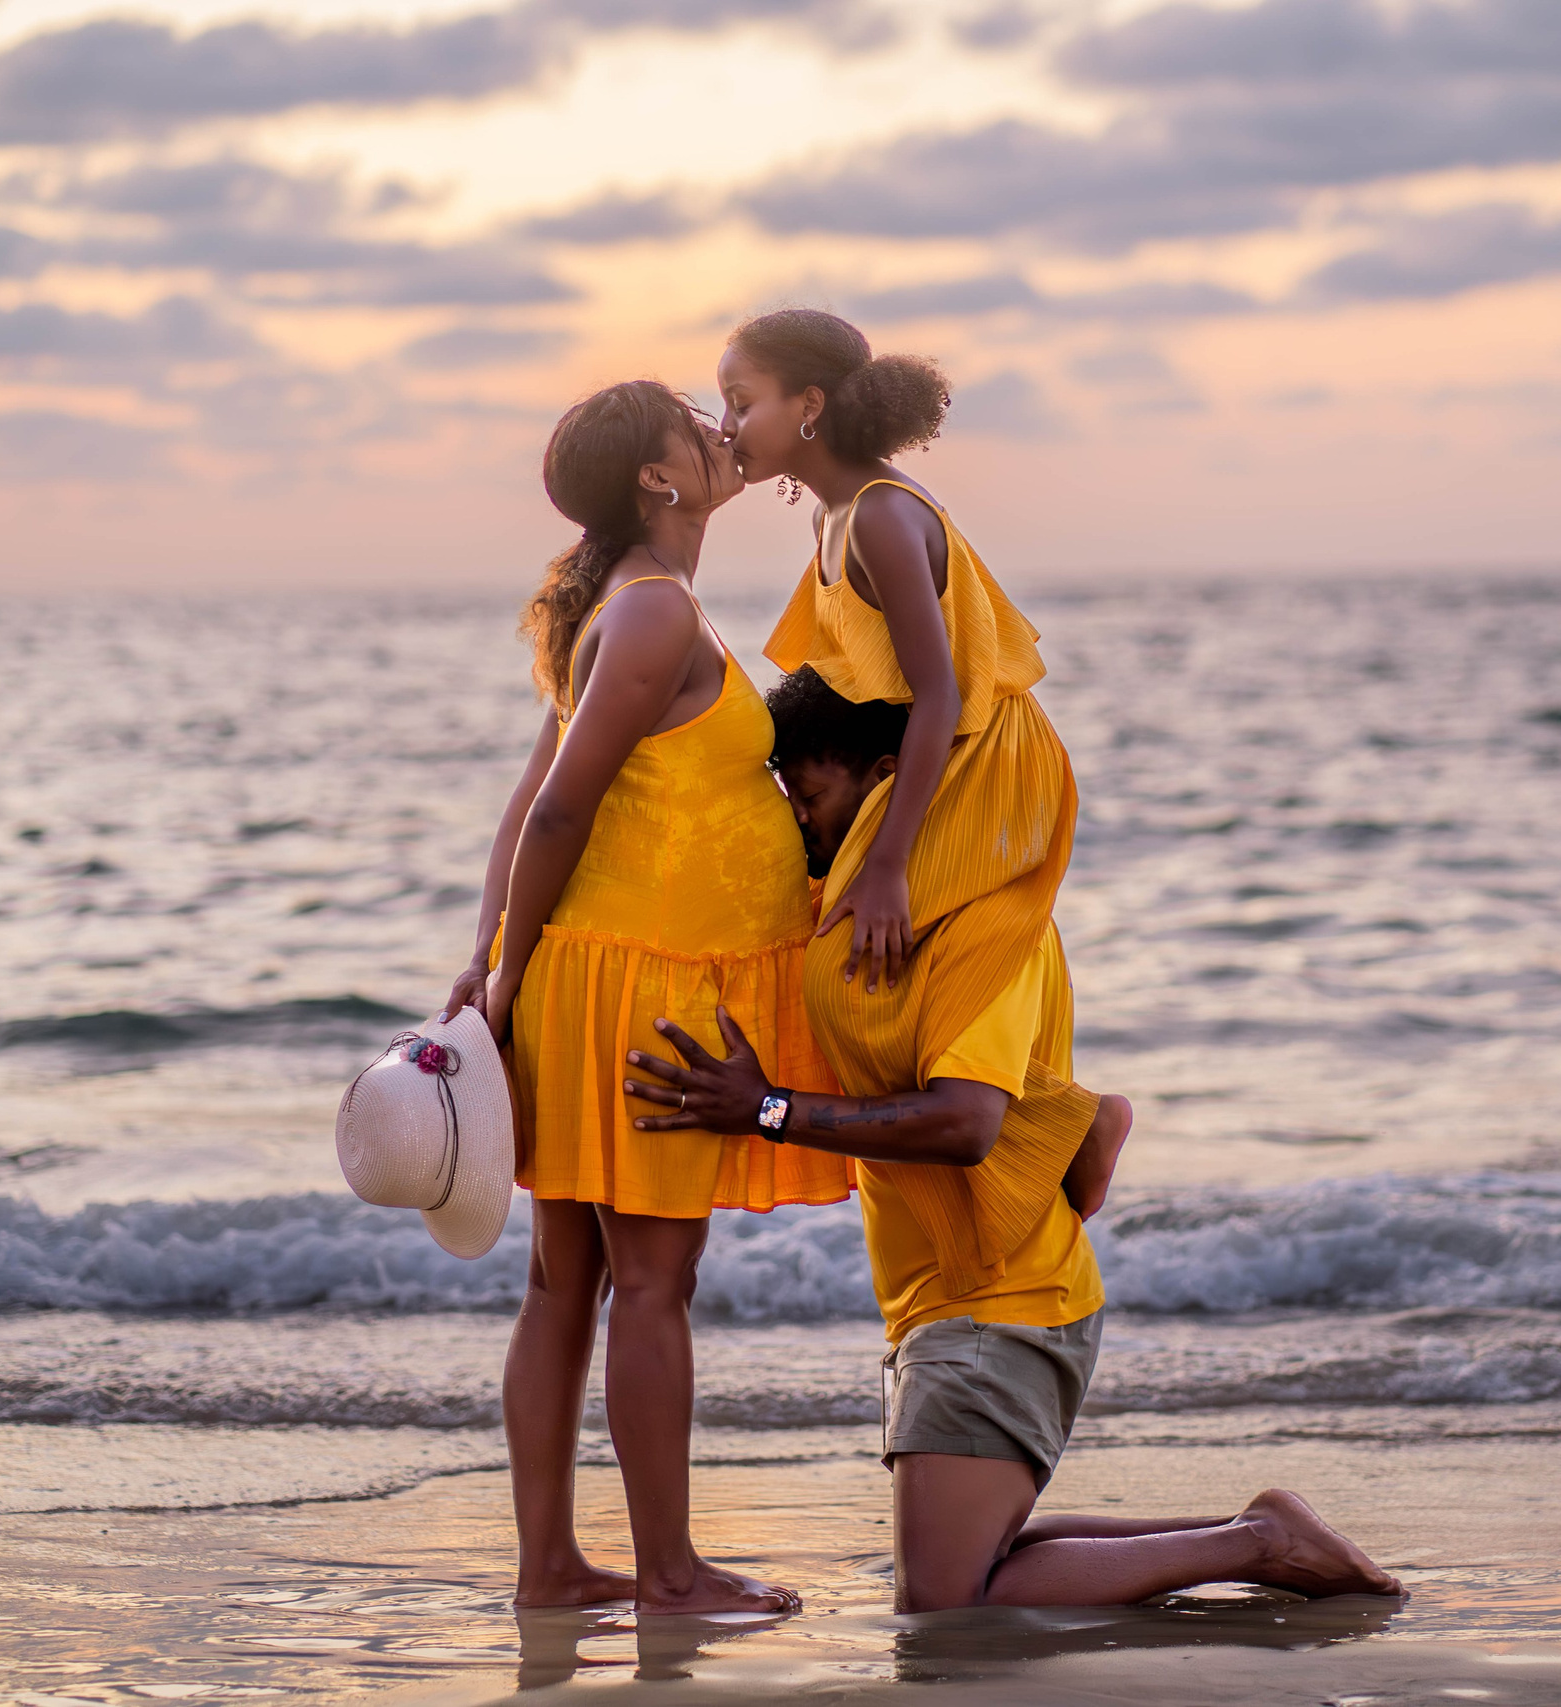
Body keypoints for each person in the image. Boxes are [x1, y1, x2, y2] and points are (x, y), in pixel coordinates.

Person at [622, 669, 1404, 1612]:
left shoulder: (987, 922)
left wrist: (767, 1108)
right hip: (953, 1305)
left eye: (812, 798)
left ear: (884, 777)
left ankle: (1259, 1543)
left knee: (946, 1605)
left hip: (1002, 1304)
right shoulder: (877, 923)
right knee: (969, 1565)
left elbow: (966, 1120)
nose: (799, 824)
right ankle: (1253, 1531)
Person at [443, 380, 850, 1616]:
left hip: (596, 972)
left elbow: (533, 801)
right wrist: (499, 974)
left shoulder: (626, 609)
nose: (720, 430)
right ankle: (669, 1574)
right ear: (657, 481)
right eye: (693, 420)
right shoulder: (655, 614)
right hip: (639, 991)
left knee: (567, 1285)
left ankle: (553, 1570)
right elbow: (554, 807)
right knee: (653, 1285)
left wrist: (493, 958)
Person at [715, 307, 1130, 1239]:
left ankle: (1066, 1124)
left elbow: (939, 694)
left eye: (741, 402)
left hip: (981, 751)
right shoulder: (831, 518)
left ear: (810, 405)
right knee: (876, 974)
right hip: (934, 753)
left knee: (905, 950)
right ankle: (1061, 1130)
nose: (726, 425)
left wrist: (888, 863)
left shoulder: (882, 517)